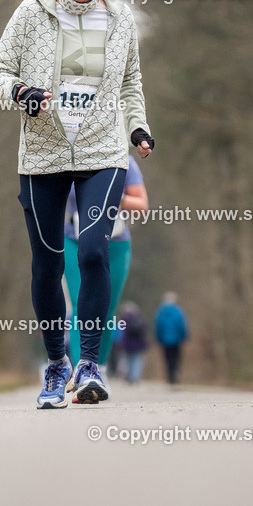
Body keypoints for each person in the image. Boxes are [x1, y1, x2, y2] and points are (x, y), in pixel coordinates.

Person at [0, 0, 154, 409]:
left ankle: (89, 365)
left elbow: (131, 83)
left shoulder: (121, 18)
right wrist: (19, 93)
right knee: (47, 263)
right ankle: (57, 365)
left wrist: (137, 128)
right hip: (43, 154)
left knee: (95, 253)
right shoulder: (30, 13)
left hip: (103, 150)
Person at [63, 153, 148, 390]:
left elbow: (141, 205)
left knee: (107, 308)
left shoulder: (125, 161)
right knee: (80, 305)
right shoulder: (67, 155)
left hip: (116, 242)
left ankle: (99, 370)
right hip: (74, 239)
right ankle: (83, 371)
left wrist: (110, 195)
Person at [154, 292, 188, 384]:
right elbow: (182, 325)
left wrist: (158, 338)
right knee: (176, 357)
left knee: (167, 358)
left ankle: (170, 376)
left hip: (164, 340)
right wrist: (184, 336)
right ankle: (175, 372)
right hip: (176, 339)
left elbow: (158, 326)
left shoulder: (160, 312)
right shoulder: (178, 311)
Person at [118, 302, 148, 383]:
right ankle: (135, 377)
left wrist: (122, 344)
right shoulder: (139, 318)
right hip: (138, 344)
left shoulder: (125, 320)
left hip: (128, 344)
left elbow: (124, 334)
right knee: (136, 361)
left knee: (128, 361)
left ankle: (130, 377)